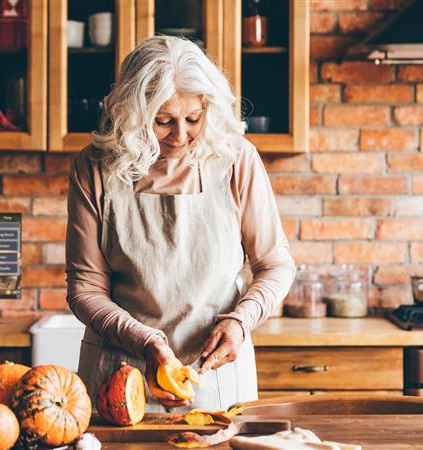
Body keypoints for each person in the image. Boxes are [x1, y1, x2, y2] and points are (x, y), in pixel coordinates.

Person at [66, 36, 295, 412]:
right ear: (133, 113)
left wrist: (241, 321)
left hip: (215, 376)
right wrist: (144, 341)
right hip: (120, 373)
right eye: (163, 121)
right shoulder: (93, 167)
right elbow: (85, 289)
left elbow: (275, 265)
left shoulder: (236, 159)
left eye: (193, 118)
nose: (181, 135)